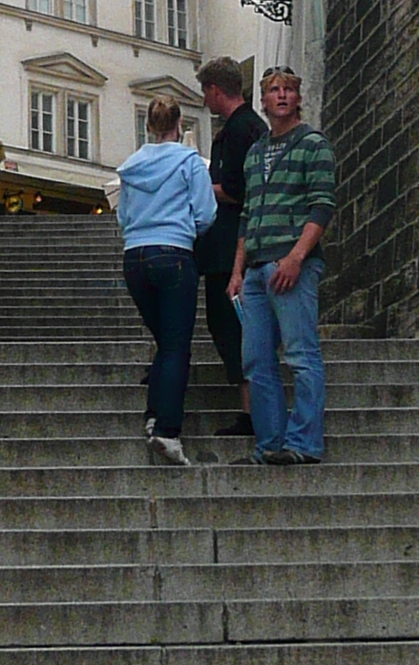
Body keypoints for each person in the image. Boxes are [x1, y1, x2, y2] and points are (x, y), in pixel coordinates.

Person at [228, 68, 337, 466]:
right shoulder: (255, 153)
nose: (283, 96)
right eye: (275, 90)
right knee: (256, 360)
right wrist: (237, 271)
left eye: (289, 89)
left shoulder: (313, 145)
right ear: (264, 99)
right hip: (255, 268)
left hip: (291, 265)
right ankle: (269, 444)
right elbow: (247, 214)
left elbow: (322, 205)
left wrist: (296, 257)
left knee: (301, 355)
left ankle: (304, 444)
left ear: (298, 97)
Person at [115, 94, 217, 469]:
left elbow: (123, 218)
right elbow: (207, 213)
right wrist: (185, 228)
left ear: (147, 126)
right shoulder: (189, 162)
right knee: (176, 345)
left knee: (164, 341)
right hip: (174, 253)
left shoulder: (131, 168)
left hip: (135, 258)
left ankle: (154, 414)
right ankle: (167, 431)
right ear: (180, 126)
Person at [196, 58, 267, 437]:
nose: (204, 100)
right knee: (227, 325)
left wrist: (200, 188)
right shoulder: (246, 127)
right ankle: (251, 408)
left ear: (215, 90)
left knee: (230, 325)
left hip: (231, 248)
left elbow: (240, 190)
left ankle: (252, 411)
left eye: (205, 92)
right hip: (225, 246)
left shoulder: (242, 131)